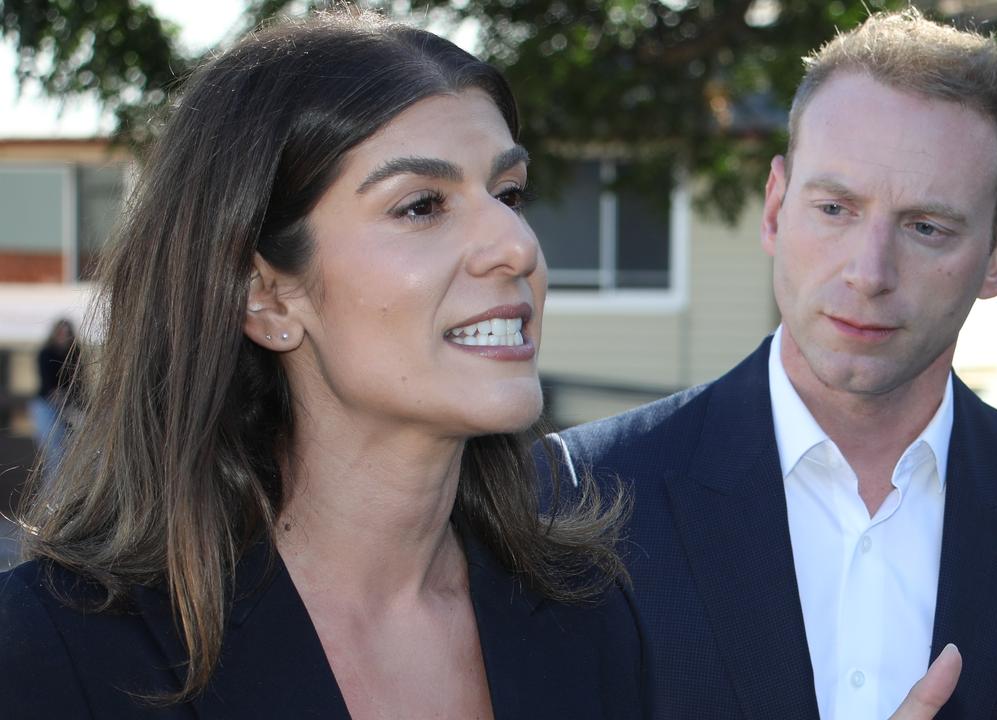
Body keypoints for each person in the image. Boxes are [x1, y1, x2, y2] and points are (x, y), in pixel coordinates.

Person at [0, 13, 645, 719]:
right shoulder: (60, 652)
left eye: (510, 194)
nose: (516, 245)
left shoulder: (591, 615)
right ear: (267, 296)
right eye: (422, 205)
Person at [539, 9, 997, 720]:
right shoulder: (585, 495)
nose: (869, 272)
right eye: (835, 208)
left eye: (927, 227)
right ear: (774, 208)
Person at [28, 317, 80, 479]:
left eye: (67, 332)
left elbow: (79, 382)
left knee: (68, 449)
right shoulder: (46, 353)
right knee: (54, 450)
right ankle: (51, 491)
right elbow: (49, 385)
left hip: (67, 404)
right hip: (46, 405)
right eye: (60, 332)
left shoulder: (75, 353)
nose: (64, 335)